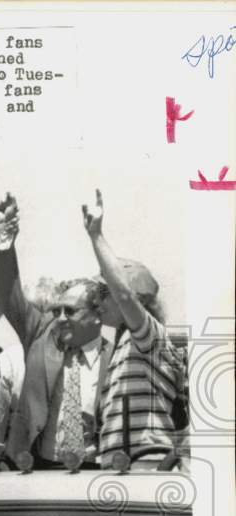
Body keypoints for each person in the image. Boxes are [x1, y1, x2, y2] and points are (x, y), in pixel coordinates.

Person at [0, 194, 113, 469]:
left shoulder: (115, 358)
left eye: (71, 311)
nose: (60, 318)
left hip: (94, 471)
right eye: (57, 310)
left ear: (98, 315)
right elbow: (7, 294)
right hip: (35, 467)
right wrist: (3, 242)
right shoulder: (42, 334)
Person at [81, 189, 186, 467]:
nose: (97, 301)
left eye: (105, 293)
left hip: (145, 466)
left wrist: (96, 236)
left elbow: (123, 295)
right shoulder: (124, 345)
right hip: (120, 470)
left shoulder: (148, 336)